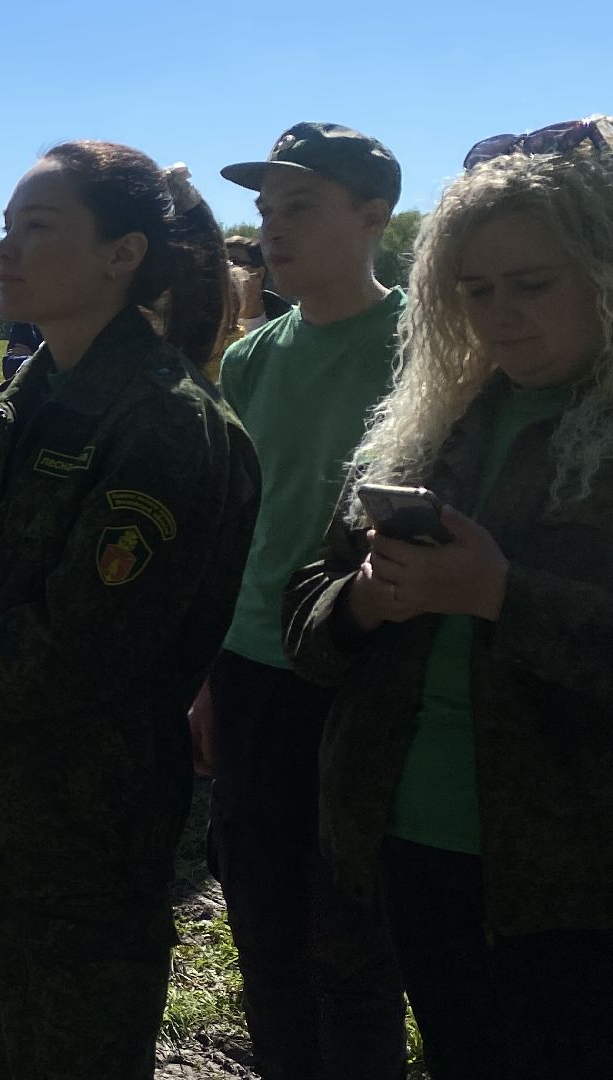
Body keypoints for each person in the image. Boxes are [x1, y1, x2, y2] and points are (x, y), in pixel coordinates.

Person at [0, 144, 259, 1078]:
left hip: (83, 844)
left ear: (123, 253)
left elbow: (79, 646)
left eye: (36, 229)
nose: (7, 250)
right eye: (6, 228)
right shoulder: (14, 406)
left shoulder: (168, 424)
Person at [284, 130, 613, 1080]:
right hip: (410, 840)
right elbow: (307, 604)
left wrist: (503, 596)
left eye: (533, 285)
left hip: (576, 882)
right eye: (475, 291)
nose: (501, 316)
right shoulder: (436, 423)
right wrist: (364, 605)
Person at [195, 122, 412, 1080]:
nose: (274, 231)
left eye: (301, 207)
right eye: (267, 211)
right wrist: (208, 675)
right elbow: (237, 527)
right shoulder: (250, 359)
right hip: (249, 671)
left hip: (366, 673)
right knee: (264, 926)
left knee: (354, 941)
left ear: (374, 218)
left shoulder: (425, 347)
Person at [225, 235, 291, 335]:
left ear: (259, 274)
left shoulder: (291, 325)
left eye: (234, 262)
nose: (226, 270)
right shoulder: (209, 328)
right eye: (222, 263)